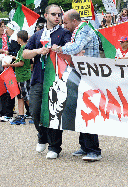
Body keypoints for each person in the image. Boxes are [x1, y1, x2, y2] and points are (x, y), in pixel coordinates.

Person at [51, 9, 102, 162]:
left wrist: (59, 48)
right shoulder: (78, 30)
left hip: (89, 76)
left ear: (74, 21)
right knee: (80, 110)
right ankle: (85, 145)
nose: (63, 25)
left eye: (65, 22)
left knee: (88, 110)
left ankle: (94, 150)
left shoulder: (84, 30)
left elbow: (76, 47)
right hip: (81, 75)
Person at [23, 4, 70, 159]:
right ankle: (42, 135)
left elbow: (71, 51)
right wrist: (37, 51)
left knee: (54, 113)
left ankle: (55, 146)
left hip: (56, 79)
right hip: (38, 77)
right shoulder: (37, 35)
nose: (57, 17)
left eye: (59, 14)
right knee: (35, 111)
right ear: (46, 15)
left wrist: (61, 49)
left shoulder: (64, 33)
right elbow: (24, 54)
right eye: (54, 14)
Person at [3, 30, 31, 125]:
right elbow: (20, 59)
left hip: (23, 76)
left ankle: (36, 116)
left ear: (19, 38)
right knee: (20, 96)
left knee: (26, 96)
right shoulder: (23, 48)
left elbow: (21, 63)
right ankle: (21, 115)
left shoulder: (23, 48)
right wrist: (13, 58)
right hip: (20, 76)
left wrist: (9, 65)